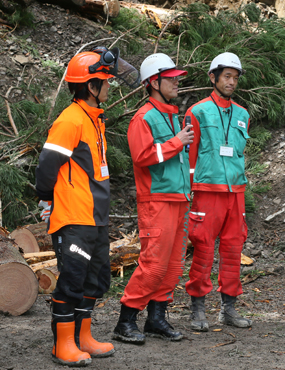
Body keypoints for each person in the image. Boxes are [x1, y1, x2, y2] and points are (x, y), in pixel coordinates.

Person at [36, 47, 126, 366]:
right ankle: (63, 344)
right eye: (105, 81)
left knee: (97, 280)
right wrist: (50, 200)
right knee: (72, 280)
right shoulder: (70, 121)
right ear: (91, 87)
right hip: (75, 218)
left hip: (96, 219)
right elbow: (46, 168)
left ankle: (83, 337)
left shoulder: (94, 119)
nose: (109, 85)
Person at [112, 53, 193, 344]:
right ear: (154, 82)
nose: (176, 82)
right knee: (154, 264)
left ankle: (156, 319)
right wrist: (176, 143)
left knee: (173, 266)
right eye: (171, 78)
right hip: (156, 201)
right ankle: (126, 321)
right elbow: (142, 156)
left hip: (179, 199)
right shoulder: (143, 118)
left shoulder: (172, 115)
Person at [184, 52, 252, 331]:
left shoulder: (243, 114)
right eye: (227, 76)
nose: (231, 82)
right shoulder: (197, 111)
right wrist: (188, 191)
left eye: (235, 78)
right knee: (202, 248)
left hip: (235, 192)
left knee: (234, 248)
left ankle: (229, 308)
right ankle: (198, 309)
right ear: (213, 77)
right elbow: (189, 154)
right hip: (205, 189)